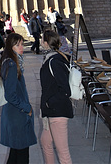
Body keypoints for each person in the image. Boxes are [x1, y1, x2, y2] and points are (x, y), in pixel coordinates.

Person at [0, 33, 37, 164]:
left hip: (15, 113)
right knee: (21, 155)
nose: (21, 47)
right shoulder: (12, 64)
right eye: (17, 45)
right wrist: (27, 108)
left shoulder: (11, 61)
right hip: (17, 114)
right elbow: (10, 94)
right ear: (11, 47)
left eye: (21, 44)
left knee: (15, 153)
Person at [40, 30, 73, 164]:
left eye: (42, 40)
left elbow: (65, 89)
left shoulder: (54, 61)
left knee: (63, 153)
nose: (41, 42)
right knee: (45, 141)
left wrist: (50, 103)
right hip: (51, 111)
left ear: (47, 43)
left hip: (57, 112)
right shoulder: (52, 58)